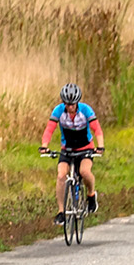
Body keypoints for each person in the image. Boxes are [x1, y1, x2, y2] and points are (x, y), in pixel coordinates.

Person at [39, 82, 104, 224]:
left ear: (77, 102)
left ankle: (91, 195)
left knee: (85, 172)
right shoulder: (58, 111)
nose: (70, 107)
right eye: (67, 104)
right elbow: (49, 129)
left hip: (85, 148)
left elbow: (97, 129)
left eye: (73, 104)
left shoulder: (86, 110)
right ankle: (61, 212)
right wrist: (44, 146)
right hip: (67, 149)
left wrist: (100, 146)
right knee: (61, 175)